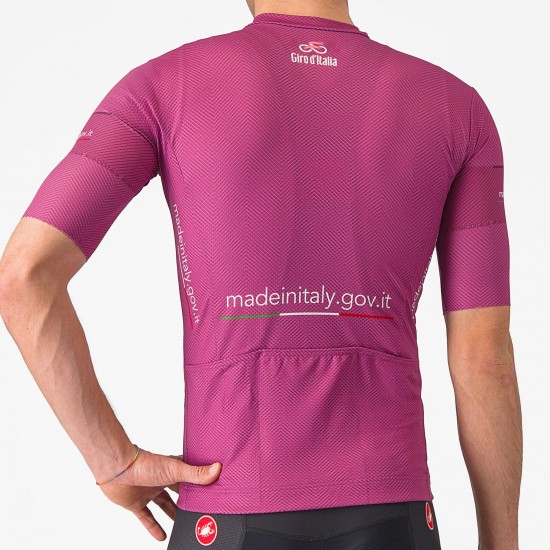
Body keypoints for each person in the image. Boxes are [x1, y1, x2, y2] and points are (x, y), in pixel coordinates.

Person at [0, 0, 522, 548]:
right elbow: (484, 357)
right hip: (390, 509)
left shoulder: (164, 87)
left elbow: (24, 277)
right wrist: (502, 542)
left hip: (228, 509)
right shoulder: (456, 109)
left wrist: (113, 461)